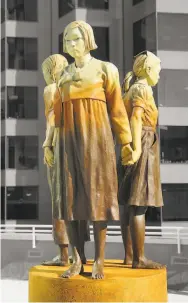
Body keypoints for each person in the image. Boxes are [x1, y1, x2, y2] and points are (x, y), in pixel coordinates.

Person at [56, 20, 138, 279]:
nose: (71, 45)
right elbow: (56, 114)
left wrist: (126, 141)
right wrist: (50, 143)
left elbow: (117, 110)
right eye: (67, 40)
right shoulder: (64, 74)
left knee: (97, 196)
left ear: (88, 40)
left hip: (96, 140)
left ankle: (100, 259)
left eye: (76, 39)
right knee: (70, 198)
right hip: (68, 142)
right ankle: (78, 259)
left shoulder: (105, 69)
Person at [41, 54, 90, 266]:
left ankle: (63, 255)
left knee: (59, 200)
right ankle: (80, 252)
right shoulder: (73, 88)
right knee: (77, 198)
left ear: (51, 71)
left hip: (57, 146)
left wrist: (47, 145)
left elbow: (53, 119)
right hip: (75, 146)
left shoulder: (52, 88)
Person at [118, 50, 165, 269]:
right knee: (139, 204)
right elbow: (136, 118)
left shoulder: (130, 90)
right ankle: (139, 258)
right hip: (143, 144)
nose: (159, 74)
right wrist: (137, 149)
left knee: (128, 204)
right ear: (147, 70)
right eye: (157, 69)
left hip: (130, 144)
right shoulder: (142, 89)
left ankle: (129, 256)